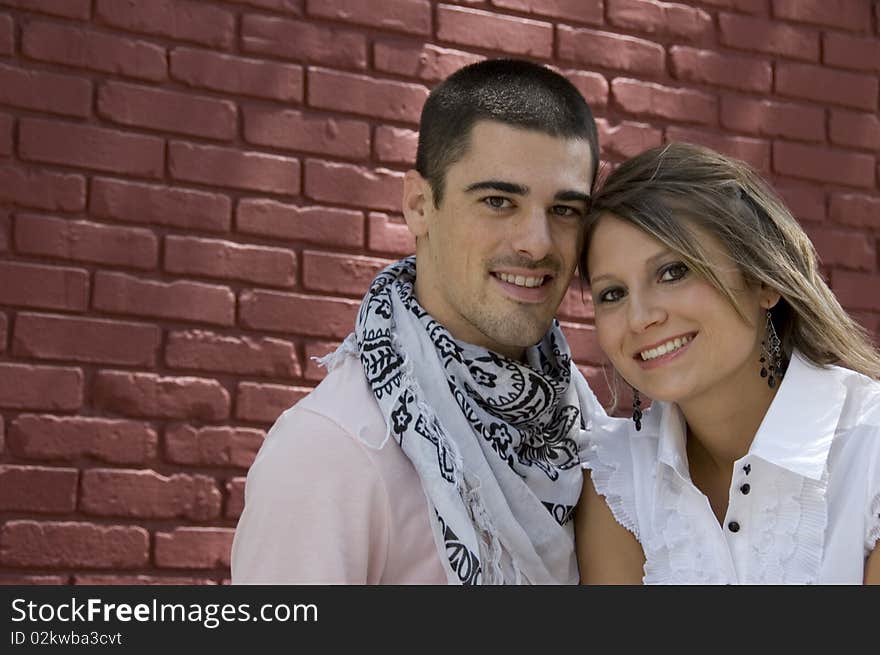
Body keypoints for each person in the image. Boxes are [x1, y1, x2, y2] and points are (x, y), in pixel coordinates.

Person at [231, 58, 605, 584]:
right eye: (498, 201)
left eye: (565, 210)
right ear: (419, 205)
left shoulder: (592, 436)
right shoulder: (336, 452)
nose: (537, 243)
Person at [575, 142, 880, 584]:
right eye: (612, 294)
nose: (640, 318)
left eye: (673, 272)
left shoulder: (869, 451)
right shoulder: (616, 478)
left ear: (763, 282)